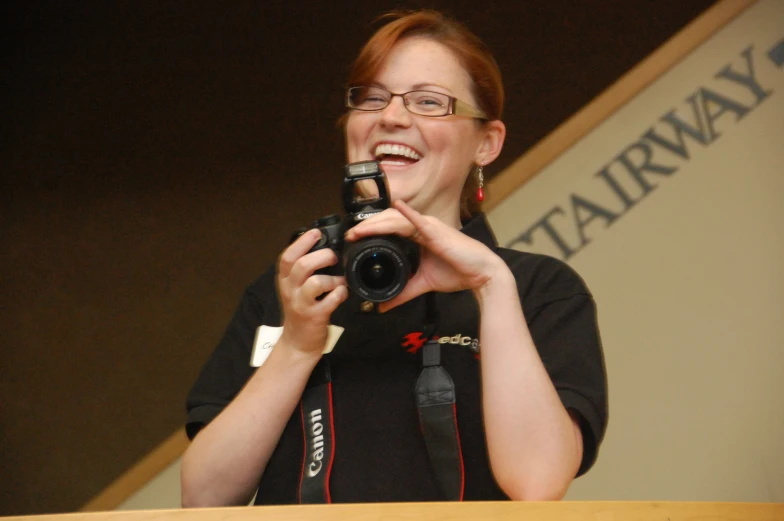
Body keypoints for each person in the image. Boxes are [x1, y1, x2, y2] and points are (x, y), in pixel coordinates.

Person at [181, 9, 607, 507]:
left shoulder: (538, 288)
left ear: (487, 144)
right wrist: (297, 346)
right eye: (372, 98)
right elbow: (204, 500)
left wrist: (491, 285)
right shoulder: (293, 288)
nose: (391, 117)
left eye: (429, 102)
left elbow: (538, 485)